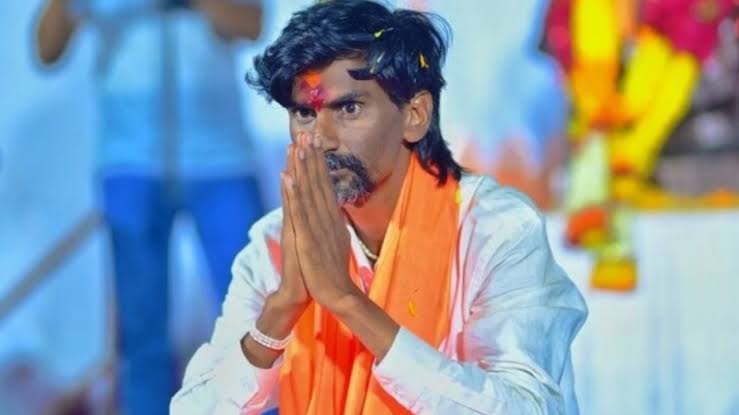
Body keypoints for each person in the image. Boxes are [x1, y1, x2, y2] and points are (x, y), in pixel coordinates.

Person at [171, 1, 587, 414]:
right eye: (304, 113)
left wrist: (348, 302)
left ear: (415, 115)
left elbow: (528, 408)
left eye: (349, 109)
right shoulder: (280, 244)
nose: (322, 138)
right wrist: (282, 308)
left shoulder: (493, 231)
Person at [35, 0, 264, 413]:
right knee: (140, 332)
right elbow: (46, 50)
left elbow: (251, 24)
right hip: (129, 162)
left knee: (257, 315)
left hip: (222, 158)